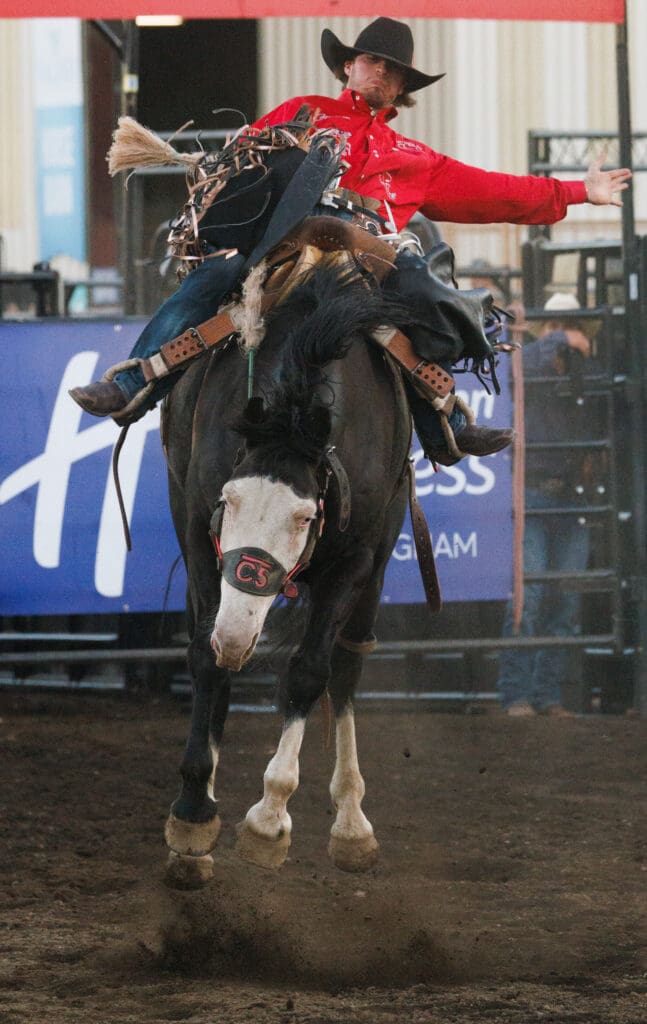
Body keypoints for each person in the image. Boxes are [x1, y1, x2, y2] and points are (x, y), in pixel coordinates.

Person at [69, 17, 631, 466]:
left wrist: (578, 190)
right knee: (215, 275)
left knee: (427, 293)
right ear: (350, 65)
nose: (382, 73)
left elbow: (495, 191)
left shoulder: (415, 159)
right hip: (283, 248)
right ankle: (132, 381)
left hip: (365, 261)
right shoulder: (302, 114)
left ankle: (448, 425)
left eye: (394, 70)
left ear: (403, 86)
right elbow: (244, 171)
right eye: (373, 60)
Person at [497, 292, 604, 717]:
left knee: (563, 599)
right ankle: (519, 695)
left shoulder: (582, 373)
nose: (563, 330)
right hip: (538, 493)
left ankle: (546, 695)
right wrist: (563, 341)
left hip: (566, 496)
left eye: (568, 323)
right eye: (555, 322)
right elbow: (524, 364)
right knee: (533, 595)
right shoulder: (533, 361)